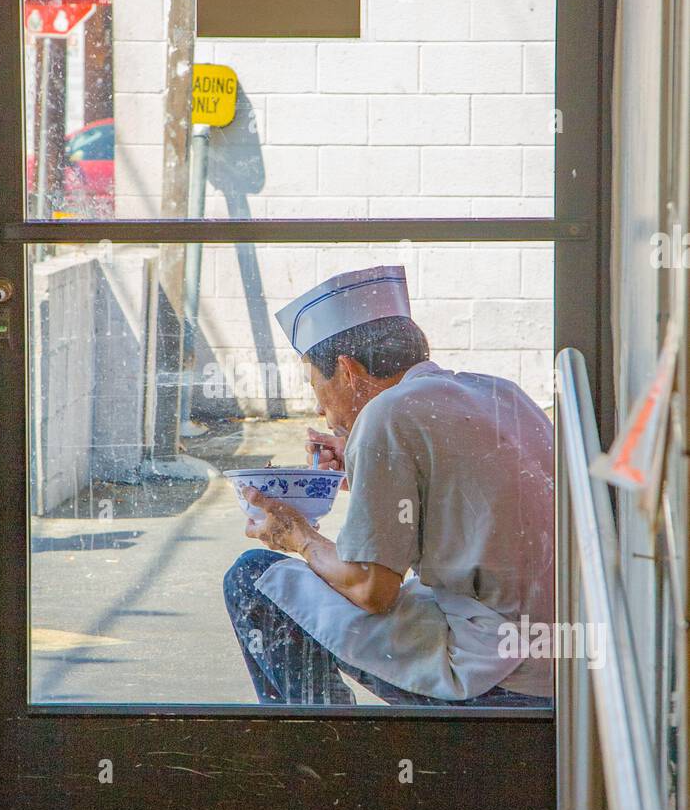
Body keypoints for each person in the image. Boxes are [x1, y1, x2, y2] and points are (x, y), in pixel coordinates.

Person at [223, 265, 554, 707]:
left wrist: (296, 535)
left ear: (347, 371)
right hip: (557, 660)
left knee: (252, 576)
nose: (322, 409)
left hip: (495, 673)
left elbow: (372, 590)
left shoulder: (388, 414)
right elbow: (459, 494)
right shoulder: (499, 392)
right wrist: (357, 463)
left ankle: (323, 752)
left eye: (315, 384)